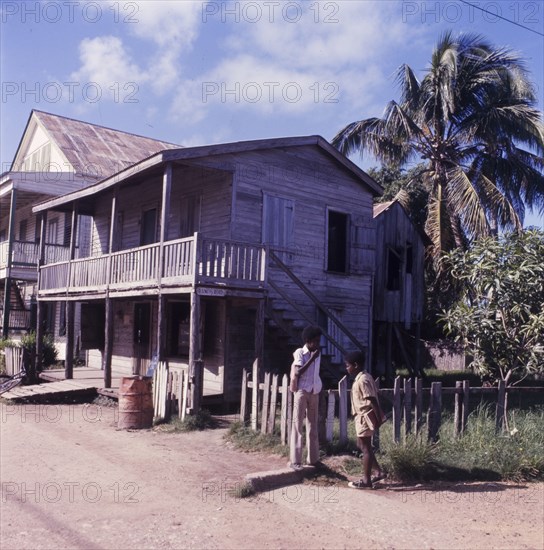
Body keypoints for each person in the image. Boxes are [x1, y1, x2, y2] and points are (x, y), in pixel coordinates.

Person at [345, 350, 386, 489]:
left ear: (355, 365)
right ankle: (378, 472)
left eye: (348, 365)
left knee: (366, 448)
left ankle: (366, 480)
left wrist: (379, 417)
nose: (347, 368)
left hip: (365, 417)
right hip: (360, 417)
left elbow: (372, 399)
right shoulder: (363, 377)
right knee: (361, 445)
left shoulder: (363, 380)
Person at [289, 325, 323, 470]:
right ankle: (295, 461)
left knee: (312, 425)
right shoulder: (300, 353)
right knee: (298, 426)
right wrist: (311, 358)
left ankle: (313, 459)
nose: (317, 344)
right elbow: (298, 373)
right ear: (308, 341)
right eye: (315, 341)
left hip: (314, 391)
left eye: (318, 341)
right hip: (301, 391)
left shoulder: (318, 353)